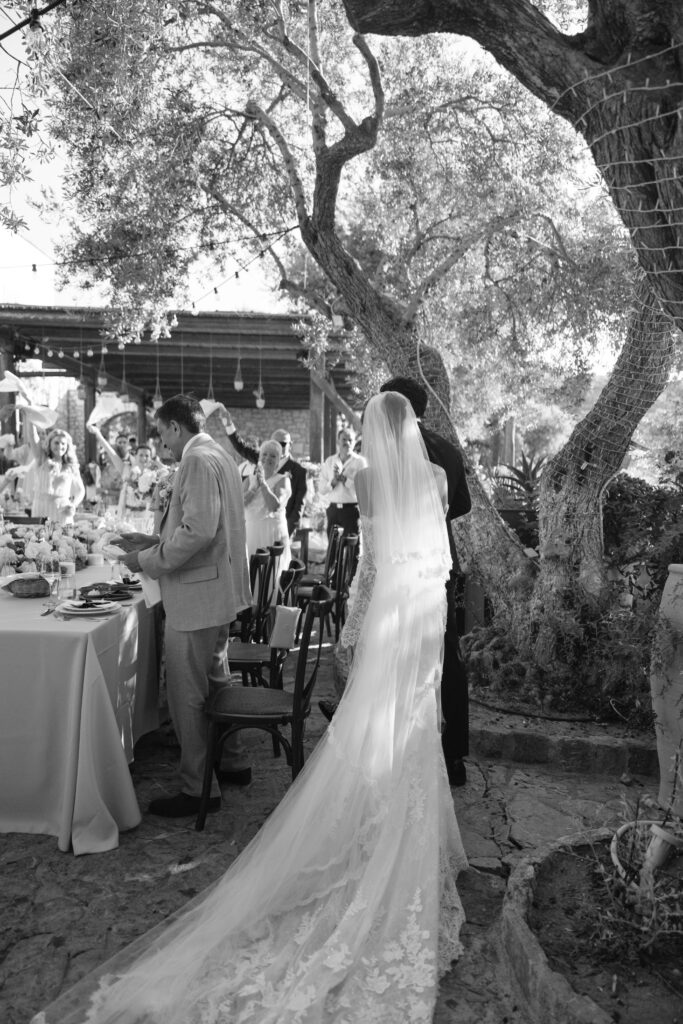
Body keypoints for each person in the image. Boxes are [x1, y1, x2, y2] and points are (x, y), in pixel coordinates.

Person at [78, 390, 466, 1024]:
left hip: (393, 612)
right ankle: (414, 828)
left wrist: (358, 631)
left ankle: (379, 821)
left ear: (376, 430)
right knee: (418, 718)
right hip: (425, 615)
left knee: (386, 715)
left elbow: (370, 563)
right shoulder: (440, 477)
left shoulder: (368, 482)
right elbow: (440, 556)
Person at [116, 395, 252, 818]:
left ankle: (198, 789)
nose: (163, 446)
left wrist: (147, 561)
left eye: (162, 435)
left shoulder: (195, 460)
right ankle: (233, 763)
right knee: (217, 682)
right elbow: (204, 527)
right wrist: (153, 543)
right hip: (218, 590)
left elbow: (197, 532)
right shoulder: (221, 455)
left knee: (186, 694)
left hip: (196, 595)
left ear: (176, 427)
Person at [380, 375, 472, 787]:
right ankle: (454, 756)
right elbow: (463, 504)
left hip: (402, 561)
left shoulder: (390, 448)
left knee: (396, 648)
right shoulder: (448, 450)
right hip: (439, 561)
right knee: (446, 651)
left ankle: (393, 743)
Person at [219, 409, 307, 537]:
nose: (276, 446)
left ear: (290, 445)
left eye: (282, 444)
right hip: (254, 529)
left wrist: (287, 532)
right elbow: (241, 446)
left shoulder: (298, 471)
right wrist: (228, 425)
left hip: (278, 530)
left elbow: (298, 507)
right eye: (274, 442)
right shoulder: (263, 458)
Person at [19, 413, 85, 525]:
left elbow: (81, 491)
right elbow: (32, 435)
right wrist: (30, 412)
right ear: (49, 444)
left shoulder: (71, 465)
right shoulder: (41, 459)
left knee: (63, 540)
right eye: (56, 443)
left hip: (62, 510)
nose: (60, 446)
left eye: (63, 444)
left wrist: (73, 505)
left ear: (67, 446)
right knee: (40, 540)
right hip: (41, 508)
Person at [243, 439, 292, 568]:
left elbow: (274, 506)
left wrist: (263, 484)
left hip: (272, 533)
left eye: (273, 455)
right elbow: (238, 504)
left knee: (270, 574)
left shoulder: (283, 480)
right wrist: (253, 488)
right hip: (251, 533)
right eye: (264, 454)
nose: (267, 458)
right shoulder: (249, 480)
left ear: (278, 461)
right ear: (259, 458)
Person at [318, 426, 367, 545]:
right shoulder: (329, 461)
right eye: (344, 439)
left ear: (354, 442)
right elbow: (321, 489)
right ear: (338, 441)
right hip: (333, 510)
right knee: (332, 550)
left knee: (352, 550)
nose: (347, 443)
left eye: (350, 440)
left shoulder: (360, 462)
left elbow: (365, 490)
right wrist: (333, 482)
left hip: (351, 511)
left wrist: (346, 480)